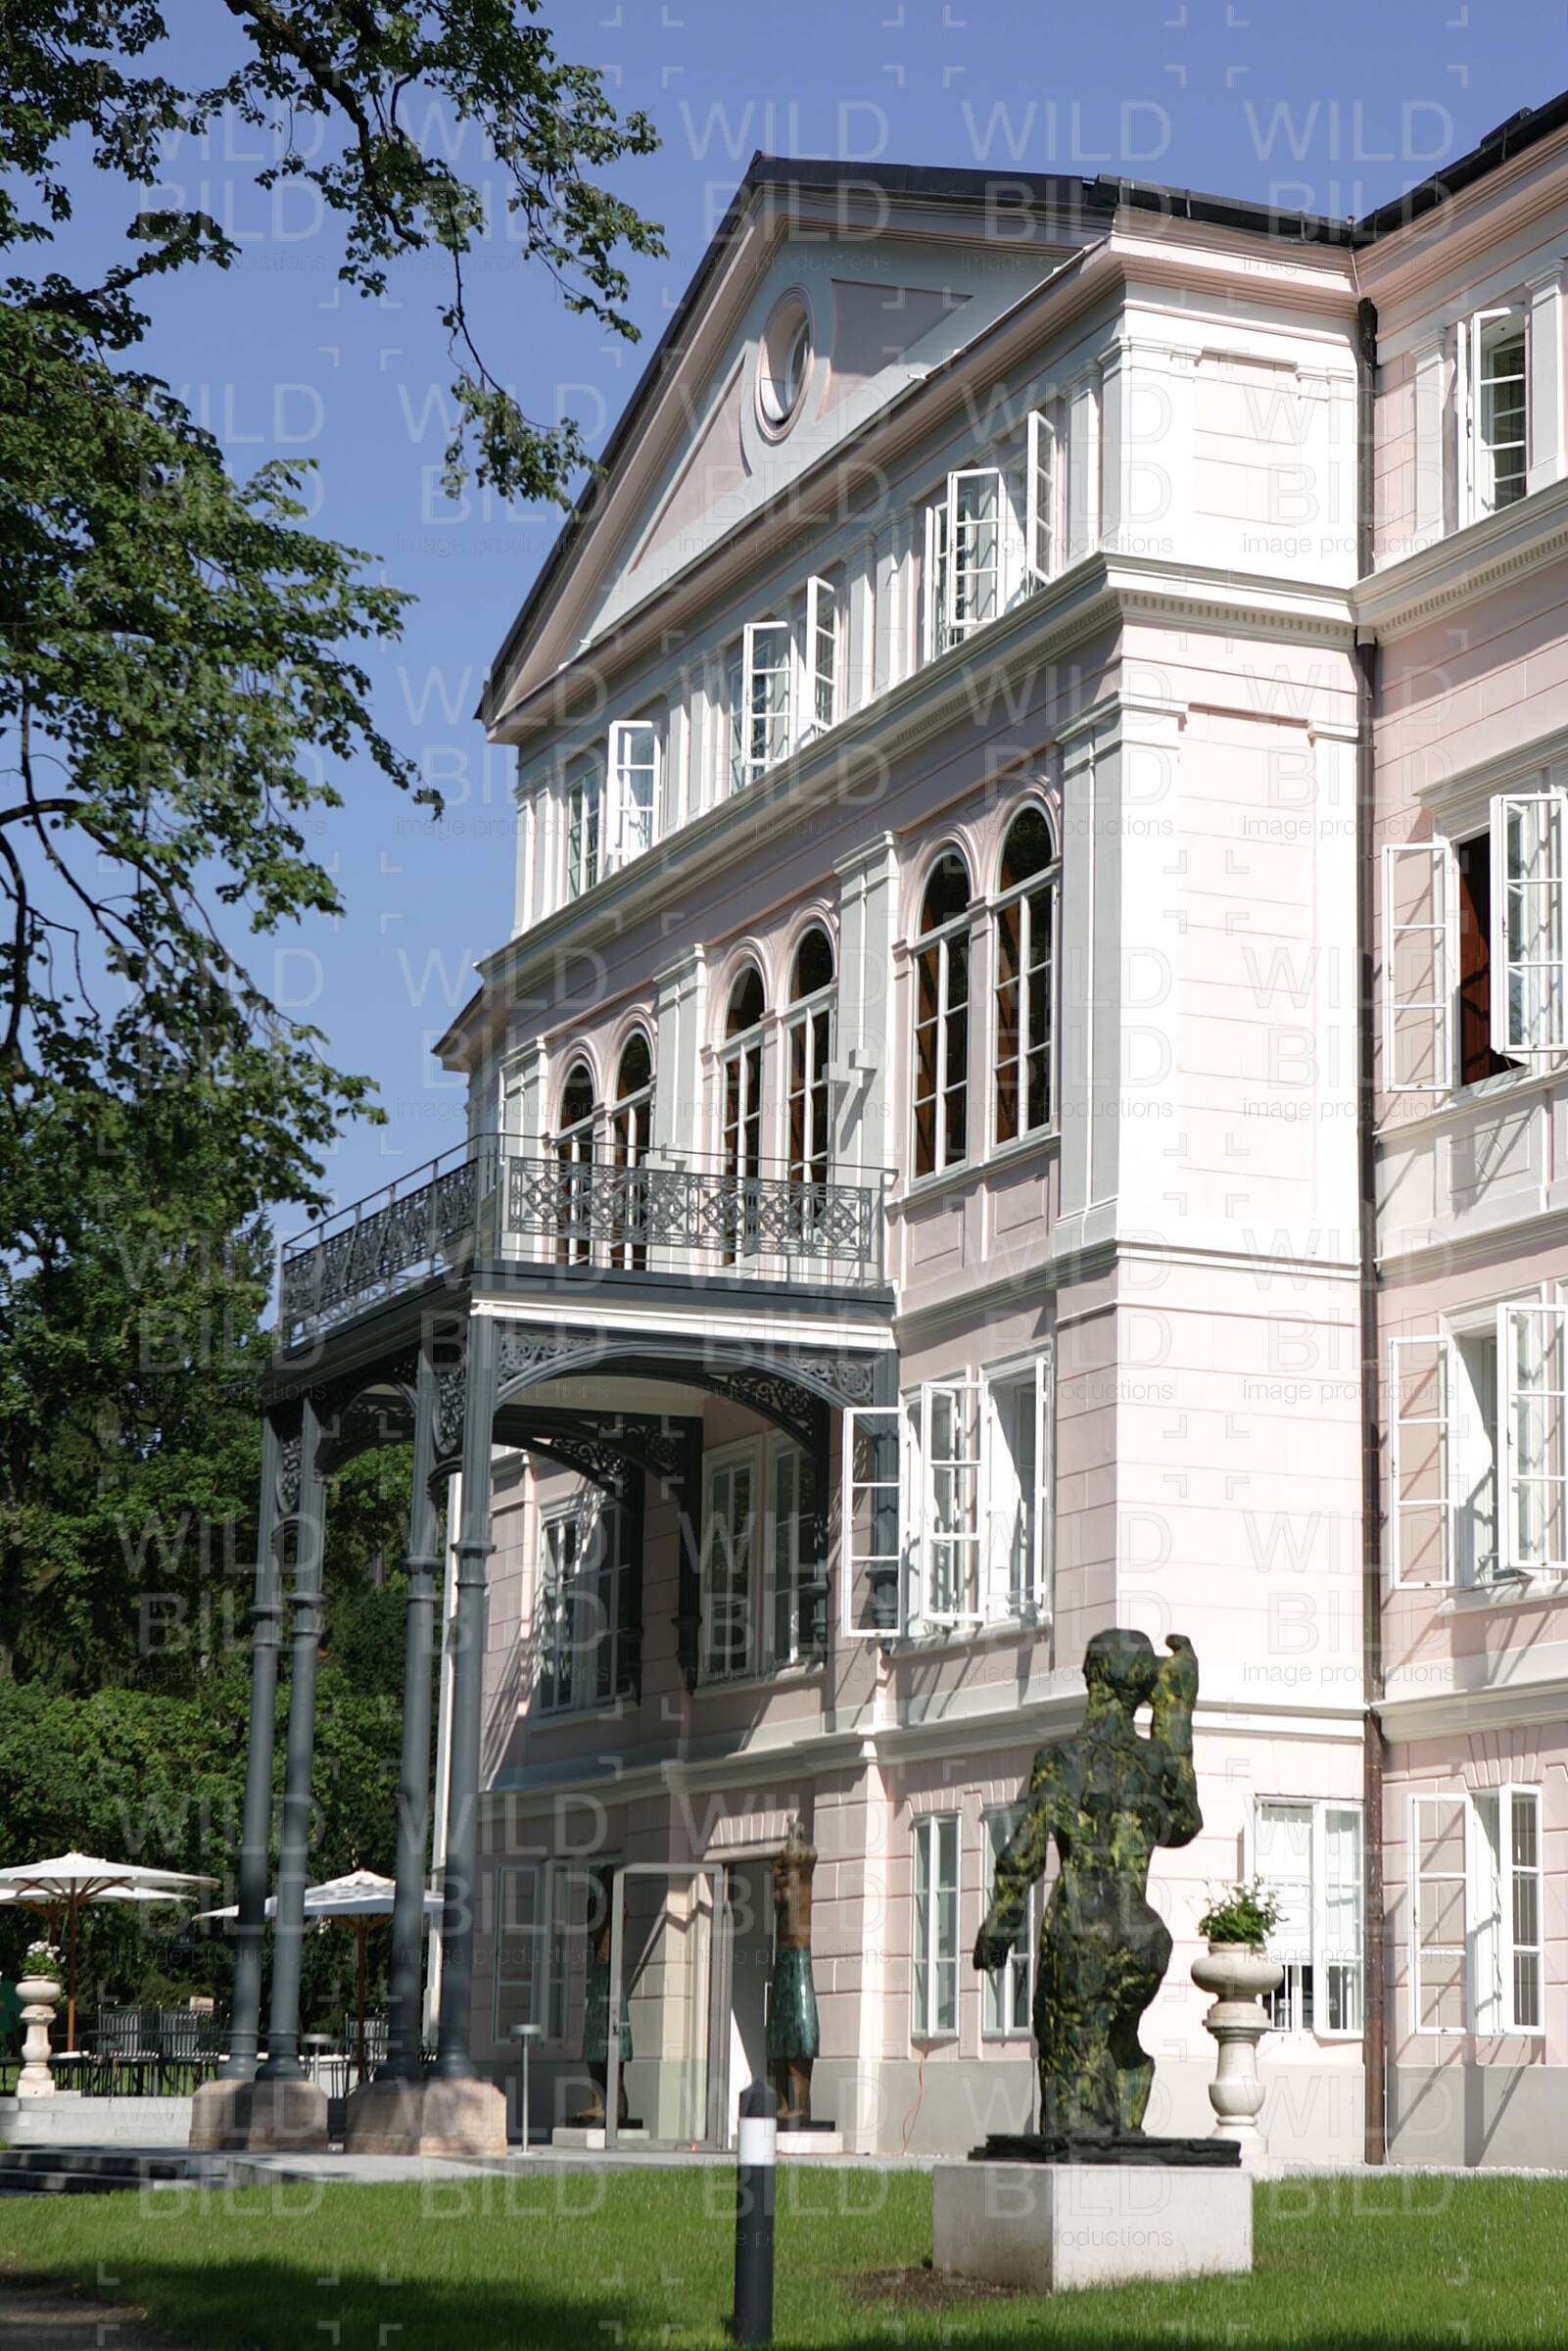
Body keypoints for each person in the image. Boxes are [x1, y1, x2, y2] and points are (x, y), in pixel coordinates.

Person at [975, 1628, 1201, 2139]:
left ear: (1092, 1678)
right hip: (1144, 1936)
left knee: (1070, 2067)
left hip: (1083, 1933)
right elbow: (1184, 1824)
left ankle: (1090, 2164)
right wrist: (1176, 1716)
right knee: (1121, 2046)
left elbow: (1024, 1852)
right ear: (1144, 1687)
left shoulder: (1063, 1760)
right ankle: (1127, 2143)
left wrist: (1001, 1925)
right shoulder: (1154, 1763)